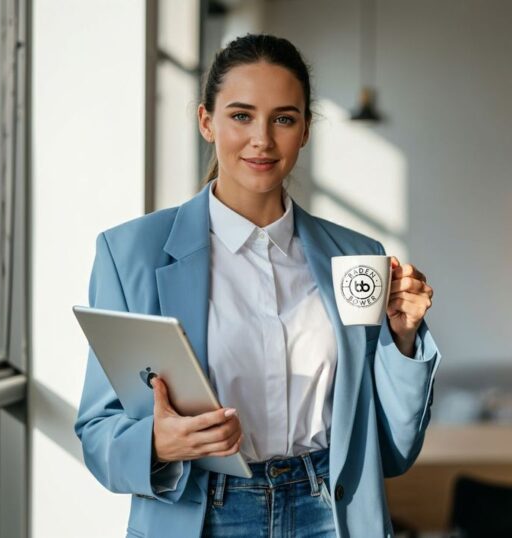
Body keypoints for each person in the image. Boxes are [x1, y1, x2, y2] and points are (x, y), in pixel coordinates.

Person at [74, 33, 440, 538]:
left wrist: (402, 340)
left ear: (306, 129)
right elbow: (97, 433)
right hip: (203, 517)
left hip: (330, 515)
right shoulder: (129, 254)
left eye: (283, 119)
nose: (262, 139)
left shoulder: (358, 258)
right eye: (241, 116)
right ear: (206, 121)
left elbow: (392, 451)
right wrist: (157, 444)